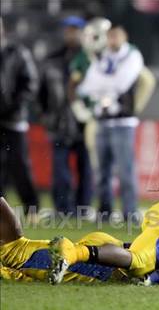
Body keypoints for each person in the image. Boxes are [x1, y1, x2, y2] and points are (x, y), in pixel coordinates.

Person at [0, 197, 159, 284]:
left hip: (99, 254)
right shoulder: (14, 247)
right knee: (149, 258)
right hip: (104, 253)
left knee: (131, 272)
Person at [76, 25, 144, 221]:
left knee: (125, 170)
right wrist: (104, 87)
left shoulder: (132, 55)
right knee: (101, 171)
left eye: (116, 36)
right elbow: (87, 86)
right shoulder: (103, 57)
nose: (112, 40)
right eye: (110, 36)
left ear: (125, 37)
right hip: (103, 121)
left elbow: (122, 83)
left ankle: (130, 212)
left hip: (123, 121)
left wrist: (102, 86)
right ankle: (104, 212)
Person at [38, 16, 93, 216]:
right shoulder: (52, 59)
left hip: (85, 123)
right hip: (58, 123)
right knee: (60, 171)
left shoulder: (91, 59)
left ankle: (83, 209)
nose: (70, 34)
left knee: (85, 169)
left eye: (75, 30)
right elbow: (41, 91)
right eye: (68, 30)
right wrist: (44, 114)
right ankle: (63, 209)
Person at [0, 17, 39, 216]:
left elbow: (31, 83)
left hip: (14, 119)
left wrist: (14, 106)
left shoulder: (17, 53)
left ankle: (32, 208)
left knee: (20, 165)